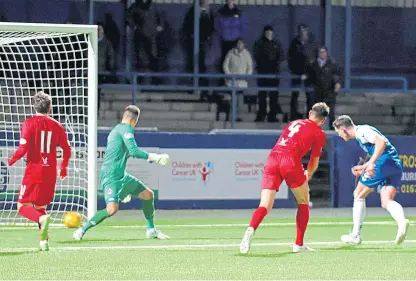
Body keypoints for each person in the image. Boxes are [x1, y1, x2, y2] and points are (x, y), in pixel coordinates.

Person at [240, 102, 329, 254]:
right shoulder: (319, 133)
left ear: (309, 113)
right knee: (303, 201)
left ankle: (250, 229)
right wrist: (309, 173)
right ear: (323, 121)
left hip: (273, 158)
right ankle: (298, 244)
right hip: (290, 161)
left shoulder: (293, 123)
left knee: (265, 205)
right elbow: (314, 160)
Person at [73, 105, 170, 240]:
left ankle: (151, 230)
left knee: (148, 195)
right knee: (111, 209)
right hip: (111, 176)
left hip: (121, 175)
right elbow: (134, 151)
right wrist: (156, 158)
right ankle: (82, 230)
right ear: (135, 120)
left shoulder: (117, 129)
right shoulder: (126, 129)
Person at [8, 91, 72, 251]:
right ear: (50, 108)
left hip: (34, 171)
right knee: (40, 206)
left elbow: (22, 148)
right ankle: (44, 242)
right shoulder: (57, 125)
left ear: (33, 106)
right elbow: (67, 148)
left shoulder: (28, 123)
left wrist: (11, 160)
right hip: (49, 172)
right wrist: (63, 167)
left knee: (22, 206)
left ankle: (42, 220)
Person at [332, 115, 409, 245]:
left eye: (338, 132)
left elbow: (381, 143)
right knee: (386, 201)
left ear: (344, 129)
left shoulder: (362, 131)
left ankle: (355, 235)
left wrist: (372, 163)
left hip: (383, 162)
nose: (339, 135)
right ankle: (402, 222)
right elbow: (379, 149)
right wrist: (364, 166)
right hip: (394, 164)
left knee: (358, 194)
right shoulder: (362, 133)